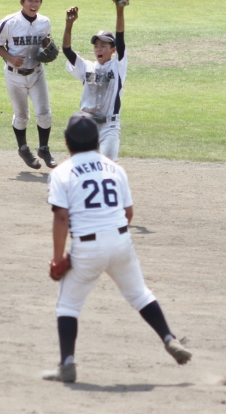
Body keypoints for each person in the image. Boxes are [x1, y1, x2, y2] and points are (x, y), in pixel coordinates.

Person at [42, 112, 191, 383]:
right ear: (97, 140)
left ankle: (67, 365)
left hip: (87, 247)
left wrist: (58, 258)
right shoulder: (115, 169)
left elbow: (61, 218)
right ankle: (169, 338)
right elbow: (128, 213)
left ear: (66, 143)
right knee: (140, 294)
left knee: (68, 305)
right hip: (121, 241)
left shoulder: (61, 172)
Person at [0, 0, 57, 170]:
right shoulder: (9, 22)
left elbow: (45, 41)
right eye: (30, 0)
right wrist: (10, 57)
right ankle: (23, 148)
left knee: (44, 114)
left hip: (36, 72)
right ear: (22, 1)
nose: (33, 4)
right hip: (14, 76)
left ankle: (44, 148)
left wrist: (49, 48)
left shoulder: (44, 22)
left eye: (37, 0)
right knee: (21, 115)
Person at [61, 0, 129, 161]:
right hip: (86, 124)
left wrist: (119, 10)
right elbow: (67, 50)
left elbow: (120, 38)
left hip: (109, 126)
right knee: (82, 164)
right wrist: (69, 25)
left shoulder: (118, 66)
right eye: (96, 46)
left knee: (108, 165)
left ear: (112, 50)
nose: (99, 49)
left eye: (103, 46)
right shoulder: (87, 67)